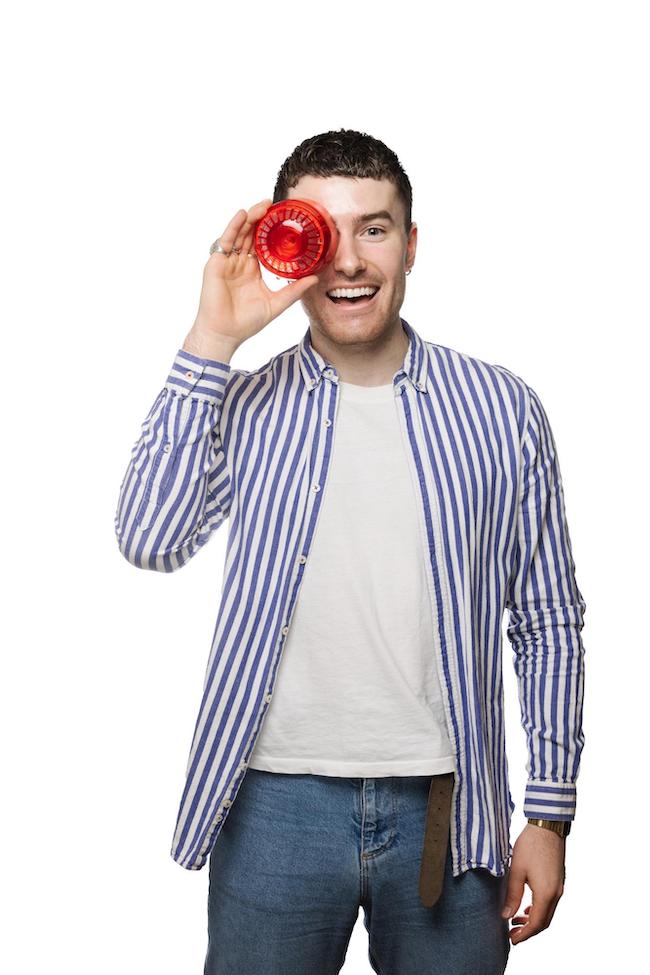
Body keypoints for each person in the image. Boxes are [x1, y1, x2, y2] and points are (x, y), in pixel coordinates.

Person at [114, 128, 586, 975]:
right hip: (274, 807)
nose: (348, 262)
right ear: (289, 248)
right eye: (322, 233)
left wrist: (548, 815)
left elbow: (547, 620)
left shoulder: (501, 408)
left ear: (411, 243)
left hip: (450, 810)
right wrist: (212, 338)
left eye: (373, 228)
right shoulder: (249, 406)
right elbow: (149, 538)